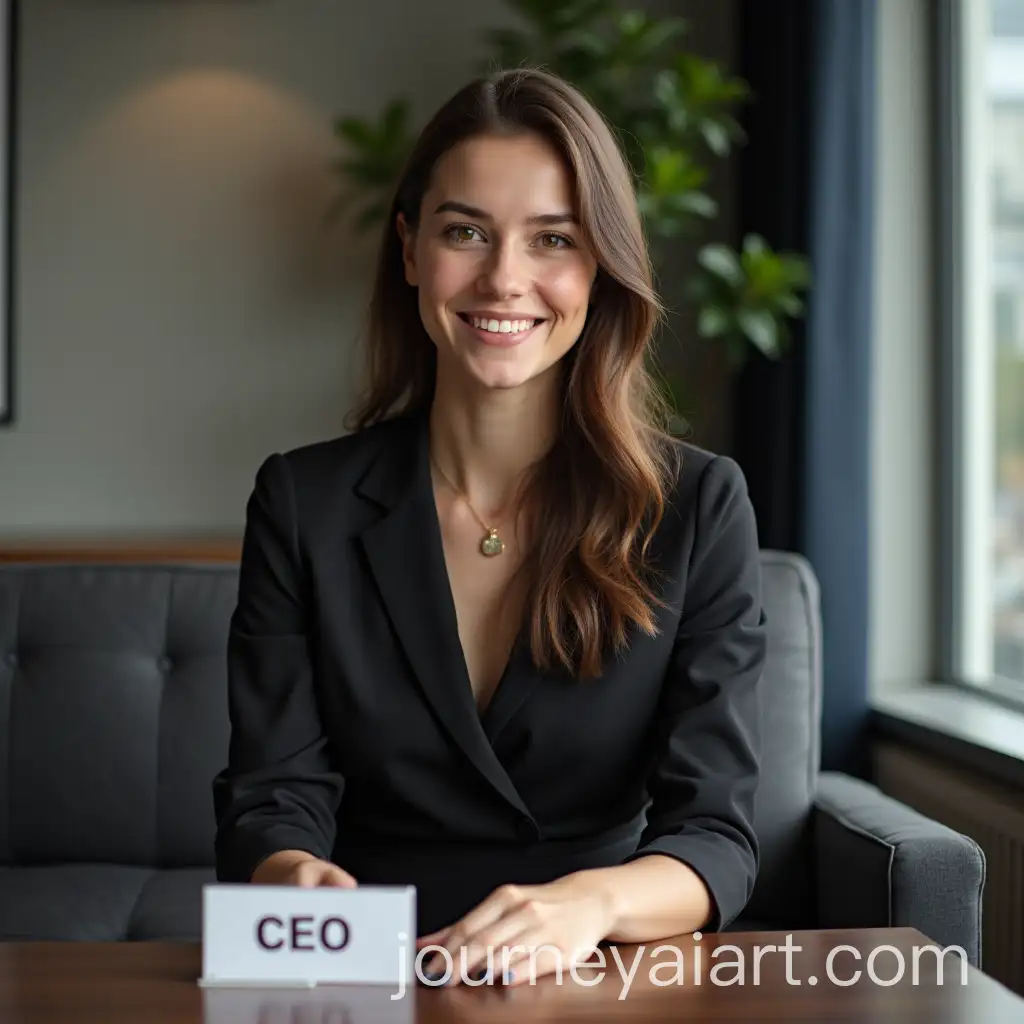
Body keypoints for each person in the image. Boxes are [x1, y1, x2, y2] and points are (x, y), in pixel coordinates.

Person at [212, 66, 766, 986]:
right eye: (465, 231)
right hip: (366, 973)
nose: (505, 279)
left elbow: (716, 835)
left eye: (553, 239)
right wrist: (292, 879)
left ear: (601, 265)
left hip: (600, 974)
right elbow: (272, 796)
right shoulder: (299, 500)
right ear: (408, 250)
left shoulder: (699, 506)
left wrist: (593, 903)